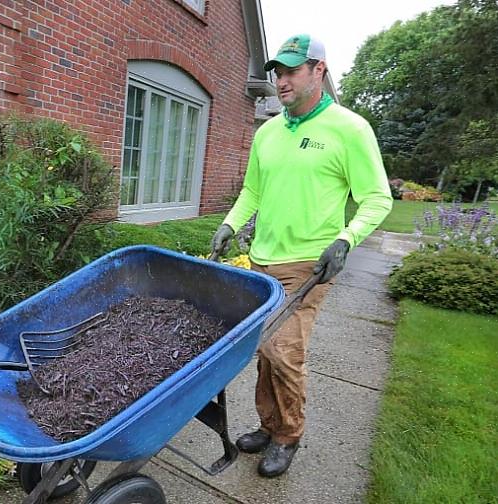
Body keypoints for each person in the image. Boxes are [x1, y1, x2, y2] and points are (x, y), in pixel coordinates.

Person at [209, 34, 392, 478]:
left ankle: (288, 435)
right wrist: (231, 223)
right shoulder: (269, 131)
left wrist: (346, 239)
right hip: (261, 260)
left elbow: (377, 198)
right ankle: (269, 425)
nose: (281, 80)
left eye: (292, 71)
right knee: (264, 350)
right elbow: (253, 189)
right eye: (277, 72)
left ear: (319, 71)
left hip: (309, 265)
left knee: (283, 350)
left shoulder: (349, 129)